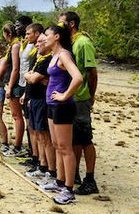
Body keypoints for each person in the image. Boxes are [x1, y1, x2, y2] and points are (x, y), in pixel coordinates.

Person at [41, 23, 83, 205]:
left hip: (62, 107)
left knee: (66, 148)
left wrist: (65, 95)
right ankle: (59, 181)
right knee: (57, 145)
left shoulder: (64, 54)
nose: (44, 37)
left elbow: (78, 77)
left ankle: (69, 189)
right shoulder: (53, 55)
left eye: (47, 34)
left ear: (57, 36)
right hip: (51, 105)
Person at [59, 11, 99, 195]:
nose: (59, 27)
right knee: (74, 139)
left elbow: (92, 73)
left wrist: (90, 97)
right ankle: (73, 174)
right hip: (70, 98)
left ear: (72, 24)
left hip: (80, 98)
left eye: (62, 23)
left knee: (85, 139)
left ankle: (90, 179)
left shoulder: (83, 43)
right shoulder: (69, 43)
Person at [23, 32, 56, 183]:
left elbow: (34, 78)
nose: (37, 44)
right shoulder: (39, 59)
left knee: (45, 136)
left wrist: (31, 76)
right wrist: (30, 76)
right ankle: (41, 165)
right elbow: (30, 76)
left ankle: (51, 170)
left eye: (41, 42)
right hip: (34, 99)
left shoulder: (48, 60)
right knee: (37, 134)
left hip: (43, 101)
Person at [18, 23, 43, 166]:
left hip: (37, 94)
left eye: (29, 34)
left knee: (37, 129)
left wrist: (28, 76)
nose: (26, 37)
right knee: (31, 126)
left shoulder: (39, 53)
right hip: (28, 90)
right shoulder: (31, 48)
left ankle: (40, 160)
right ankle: (34, 155)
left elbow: (32, 74)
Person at [1, 22, 26, 156]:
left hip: (15, 85)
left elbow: (16, 68)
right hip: (11, 83)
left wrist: (10, 87)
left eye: (4, 34)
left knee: (17, 116)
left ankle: (17, 145)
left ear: (8, 34)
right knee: (15, 115)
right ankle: (17, 144)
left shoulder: (16, 46)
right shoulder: (13, 45)